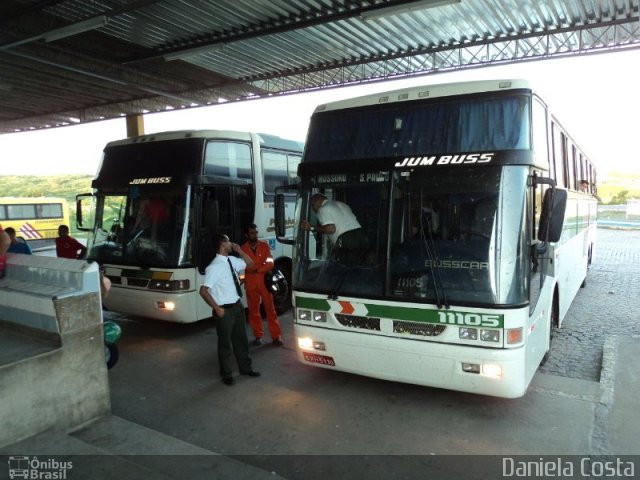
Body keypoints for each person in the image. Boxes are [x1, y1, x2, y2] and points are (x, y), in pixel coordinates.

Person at [199, 234, 260, 386]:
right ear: (222, 244)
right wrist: (217, 308)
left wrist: (241, 252)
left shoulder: (232, 260)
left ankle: (246, 368)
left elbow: (252, 266)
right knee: (225, 344)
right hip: (224, 311)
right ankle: (226, 374)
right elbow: (203, 291)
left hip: (237, 306)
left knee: (241, 340)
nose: (231, 242)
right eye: (228, 240)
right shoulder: (214, 267)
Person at [241, 224, 283, 346]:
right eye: (252, 233)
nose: (255, 235)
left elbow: (270, 262)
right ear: (246, 235)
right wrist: (258, 267)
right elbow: (245, 266)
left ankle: (276, 336)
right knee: (253, 311)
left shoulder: (264, 246)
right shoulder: (243, 249)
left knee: (271, 310)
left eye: (256, 232)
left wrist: (257, 270)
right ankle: (258, 336)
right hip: (251, 285)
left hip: (264, 282)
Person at [300, 193, 368, 265]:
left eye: (312, 205)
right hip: (361, 235)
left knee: (347, 268)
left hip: (346, 240)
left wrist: (311, 227)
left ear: (316, 201)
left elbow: (331, 229)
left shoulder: (323, 208)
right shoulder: (342, 204)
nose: (313, 208)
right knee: (362, 265)